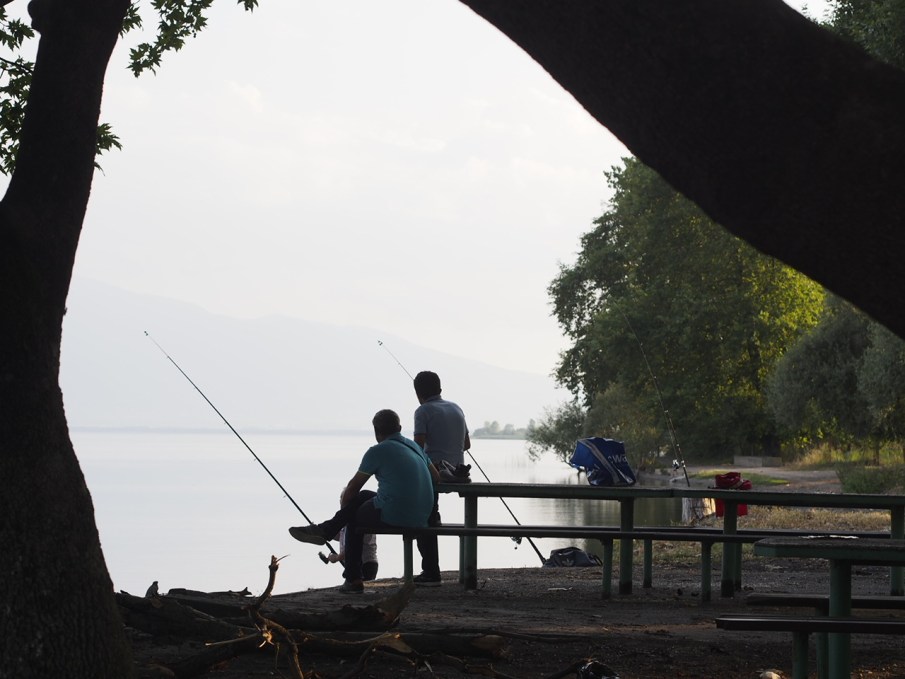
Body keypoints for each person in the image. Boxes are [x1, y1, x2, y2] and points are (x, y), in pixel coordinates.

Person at [289, 409, 439, 593]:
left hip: (398, 513)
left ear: (376, 431)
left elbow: (352, 488)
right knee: (363, 496)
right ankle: (325, 530)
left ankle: (352, 578)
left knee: (355, 515)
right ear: (399, 428)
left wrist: (344, 515)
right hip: (423, 513)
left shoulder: (377, 451)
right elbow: (437, 477)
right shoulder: (415, 447)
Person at [412, 370, 470, 587]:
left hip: (434, 472)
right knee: (429, 514)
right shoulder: (457, 408)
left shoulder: (422, 411)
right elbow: (466, 445)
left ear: (418, 393)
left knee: (421, 516)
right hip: (458, 472)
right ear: (440, 388)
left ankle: (430, 571)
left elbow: (417, 448)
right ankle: (433, 516)